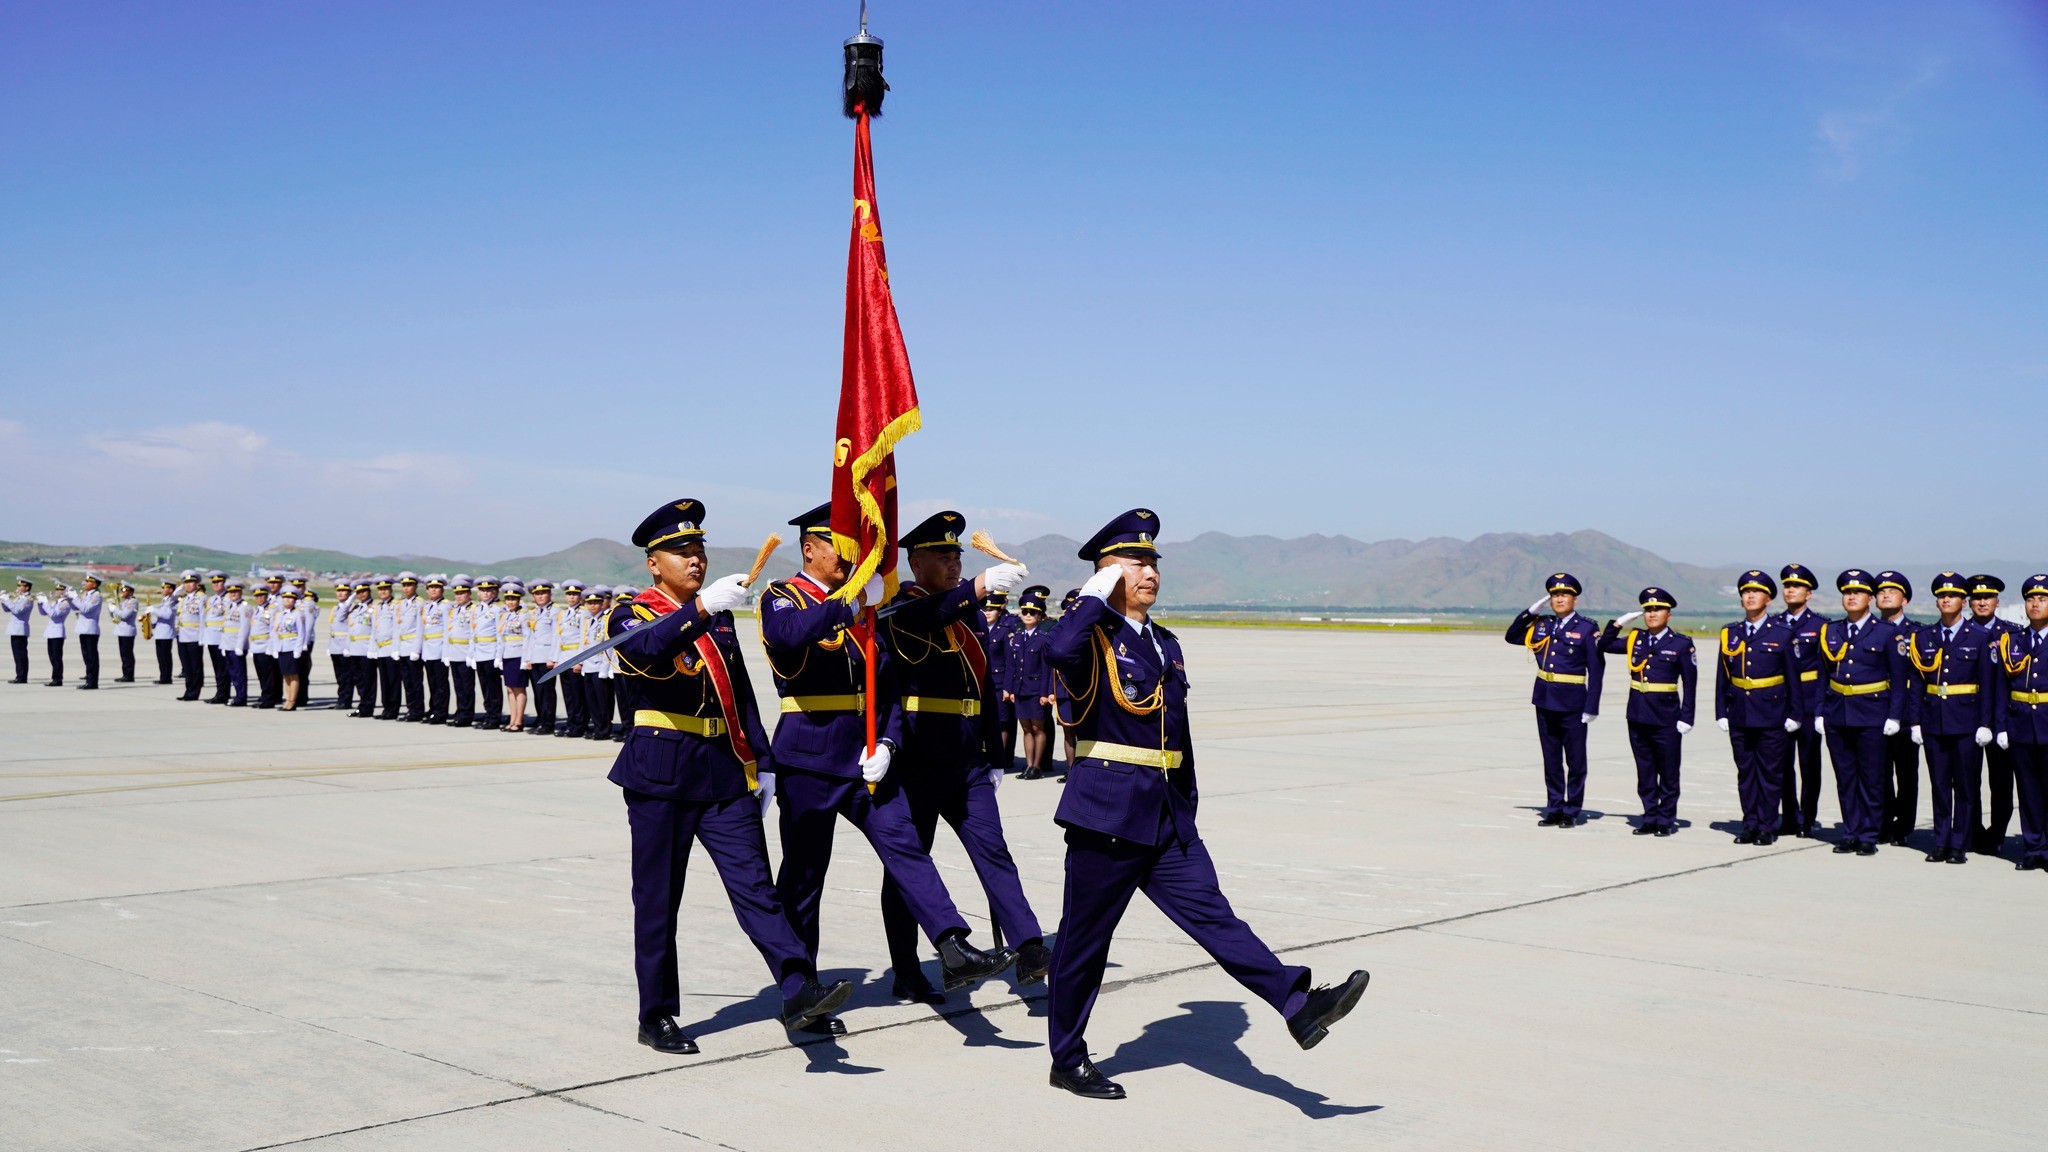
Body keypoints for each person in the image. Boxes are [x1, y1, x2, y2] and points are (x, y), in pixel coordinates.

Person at [1044, 509, 1369, 1100]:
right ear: (1106, 572)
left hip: (1166, 816)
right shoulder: (1090, 634)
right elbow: (1058, 650)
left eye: (1153, 562)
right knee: (1085, 943)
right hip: (1107, 816)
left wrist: (1187, 809)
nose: (1150, 572)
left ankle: (1296, 1004)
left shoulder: (1165, 642)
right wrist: (1093, 595)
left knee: (1216, 918)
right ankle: (1066, 1060)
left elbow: (1179, 737)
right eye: (1135, 562)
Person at [596, 499, 855, 1053]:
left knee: (758, 890)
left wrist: (764, 762)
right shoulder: (630, 613)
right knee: (659, 899)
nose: (695, 559)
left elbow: (739, 694)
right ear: (653, 563)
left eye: (699, 549)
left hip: (723, 771)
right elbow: (645, 651)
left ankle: (799, 991)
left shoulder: (719, 617)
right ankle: (656, 1015)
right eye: (681, 551)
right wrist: (699, 609)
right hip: (660, 774)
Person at [758, 501, 1012, 1017]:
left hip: (866, 755)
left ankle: (952, 945)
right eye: (839, 545)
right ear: (809, 550)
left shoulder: (865, 608)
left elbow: (890, 685)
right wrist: (853, 600)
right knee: (805, 876)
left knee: (906, 848)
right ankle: (800, 990)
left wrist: (891, 741)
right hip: (808, 756)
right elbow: (789, 636)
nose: (851, 556)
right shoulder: (782, 597)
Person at [876, 511, 1046, 997]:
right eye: (943, 556)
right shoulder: (898, 607)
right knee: (910, 867)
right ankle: (907, 970)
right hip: (917, 755)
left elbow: (983, 685)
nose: (954, 564)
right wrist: (979, 585)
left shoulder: (966, 612)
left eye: (957, 556)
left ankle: (1029, 947)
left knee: (994, 851)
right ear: (915, 563)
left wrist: (995, 754)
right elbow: (929, 614)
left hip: (968, 756)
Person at [1817, 570, 1911, 856]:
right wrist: (1820, 712)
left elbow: (1898, 679)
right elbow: (1823, 676)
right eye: (1847, 593)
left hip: (1872, 714)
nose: (1851, 597)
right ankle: (1851, 832)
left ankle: (1869, 834)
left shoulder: (1887, 632)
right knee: (1845, 778)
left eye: (1858, 593)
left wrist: (1895, 716)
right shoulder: (1831, 631)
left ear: (1870, 599)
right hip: (1838, 714)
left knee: (1872, 778)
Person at [1907, 574, 1998, 864]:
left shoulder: (1980, 637)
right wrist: (1915, 721)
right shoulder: (1923, 637)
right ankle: (1941, 841)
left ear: (1964, 602)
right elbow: (1917, 683)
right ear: (1937, 602)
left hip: (1967, 721)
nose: (1947, 600)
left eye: (1953, 596)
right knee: (1939, 784)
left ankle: (1960, 843)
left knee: (1966, 786)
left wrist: (1986, 723)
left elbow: (1987, 685)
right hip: (1933, 720)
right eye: (1942, 596)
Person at [1504, 573, 1606, 827]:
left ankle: (1571, 810)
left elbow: (1596, 670)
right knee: (1551, 759)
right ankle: (1555, 807)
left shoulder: (1587, 628)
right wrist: (1530, 612)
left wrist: (1592, 706)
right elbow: (1512, 636)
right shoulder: (1542, 624)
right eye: (1555, 596)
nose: (1559, 600)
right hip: (1544, 699)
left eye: (1565, 595)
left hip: (1573, 702)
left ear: (1575, 600)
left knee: (1575, 760)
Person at [1598, 587, 1697, 836]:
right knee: (1645, 771)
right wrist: (1618, 623)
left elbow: (1690, 684)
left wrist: (1687, 717)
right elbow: (1604, 644)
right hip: (1638, 715)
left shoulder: (1681, 644)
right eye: (1648, 610)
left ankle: (1666, 820)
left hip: (1667, 718)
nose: (1652, 614)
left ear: (1668, 614)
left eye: (1658, 609)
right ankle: (1650, 816)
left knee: (1668, 771)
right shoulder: (1636, 640)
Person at [1714, 570, 1799, 845]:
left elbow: (1793, 679)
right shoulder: (1731, 633)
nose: (1750, 596)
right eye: (1746, 592)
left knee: (1769, 774)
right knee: (1746, 773)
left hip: (1772, 713)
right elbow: (1723, 676)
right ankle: (1750, 824)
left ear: (1769, 599)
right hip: (1740, 713)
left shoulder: (1782, 633)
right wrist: (1720, 711)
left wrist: (1795, 714)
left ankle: (1766, 826)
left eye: (1757, 592)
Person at [1995, 575, 2048, 872]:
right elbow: (2002, 687)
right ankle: (2033, 848)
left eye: (2042, 599)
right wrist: (2001, 726)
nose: (2035, 604)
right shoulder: (2013, 641)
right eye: (2030, 599)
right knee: (2027, 791)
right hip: (2021, 724)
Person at [1774, 564, 1830, 837]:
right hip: (1781, 702)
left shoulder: (1820, 625)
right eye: (1787, 586)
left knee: (1809, 764)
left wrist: (1821, 708)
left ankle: (1807, 819)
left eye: (1796, 586)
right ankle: (1788, 817)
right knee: (1782, 764)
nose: (1790, 590)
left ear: (1809, 594)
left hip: (1808, 702)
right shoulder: (1774, 624)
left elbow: (1825, 670)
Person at [1967, 575, 2021, 855]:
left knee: (2001, 781)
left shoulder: (2012, 634)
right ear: (1969, 602)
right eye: (1976, 598)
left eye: (1987, 597)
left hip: (2002, 718)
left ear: (1997, 601)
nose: (1982, 602)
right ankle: (1973, 832)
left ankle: (1997, 833)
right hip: (1967, 717)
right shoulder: (1961, 632)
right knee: (1968, 781)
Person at [1873, 571, 1921, 845]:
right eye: (1881, 592)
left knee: (1906, 772)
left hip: (1905, 713)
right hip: (1875, 709)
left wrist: (1916, 718)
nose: (1886, 595)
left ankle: (1903, 825)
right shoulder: (1871, 630)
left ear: (1905, 599)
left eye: (1892, 592)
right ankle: (1882, 823)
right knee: (1879, 772)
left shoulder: (1916, 633)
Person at [1004, 586, 1057, 779]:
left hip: (1036, 691)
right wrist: (1009, 689)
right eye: (1025, 611)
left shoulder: (1043, 639)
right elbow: (1011, 666)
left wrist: (1045, 693)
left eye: (1032, 612)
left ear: (1040, 616)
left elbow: (1047, 669)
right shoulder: (1017, 637)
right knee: (1026, 729)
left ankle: (1037, 766)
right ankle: (1028, 765)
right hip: (1020, 690)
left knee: (1038, 728)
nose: (1027, 615)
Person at [981, 591, 1019, 769]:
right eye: (985, 609)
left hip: (999, 682)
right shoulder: (978, 629)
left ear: (999, 611)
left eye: (992, 609)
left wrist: (1007, 687)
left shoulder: (1005, 631)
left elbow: (1010, 662)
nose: (987, 612)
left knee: (1001, 723)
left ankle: (1000, 760)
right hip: (982, 682)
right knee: (984, 722)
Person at [555, 581, 589, 737]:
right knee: (568, 695)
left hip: (575, 657)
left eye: (575, 594)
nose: (572, 597)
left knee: (578, 695)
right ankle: (571, 722)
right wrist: (556, 659)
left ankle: (580, 725)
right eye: (569, 594)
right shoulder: (562, 614)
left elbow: (583, 638)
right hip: (563, 658)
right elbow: (558, 637)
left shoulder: (584, 613)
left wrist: (579, 660)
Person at [525, 580, 559, 735]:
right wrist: (527, 658)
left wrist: (552, 657)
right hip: (534, 657)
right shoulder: (533, 613)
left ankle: (548, 722)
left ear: (549, 594)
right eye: (537, 594)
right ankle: (540, 718)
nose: (540, 596)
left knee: (547, 692)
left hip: (547, 658)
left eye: (543, 593)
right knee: (537, 691)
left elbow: (556, 636)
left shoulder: (555, 612)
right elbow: (530, 637)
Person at [580, 586, 612, 740]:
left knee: (602, 702)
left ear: (601, 603)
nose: (592, 606)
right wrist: (581, 664)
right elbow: (583, 644)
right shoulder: (587, 621)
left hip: (600, 666)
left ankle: (604, 730)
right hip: (588, 665)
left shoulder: (605, 620)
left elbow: (608, 646)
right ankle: (596, 727)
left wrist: (605, 669)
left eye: (596, 603)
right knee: (591, 700)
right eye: (590, 603)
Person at [473, 577, 505, 729]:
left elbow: (500, 634)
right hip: (479, 652)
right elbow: (473, 633)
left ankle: (494, 717)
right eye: (482, 590)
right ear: (478, 592)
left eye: (488, 590)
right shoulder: (476, 609)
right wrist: (472, 654)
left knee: (493, 687)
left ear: (493, 592)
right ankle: (488, 714)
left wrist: (498, 656)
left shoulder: (498, 609)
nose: (485, 593)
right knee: (484, 686)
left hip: (491, 652)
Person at [446, 576, 478, 726]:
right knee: (458, 686)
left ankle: (466, 714)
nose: (459, 596)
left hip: (465, 653)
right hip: (454, 652)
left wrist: (471, 654)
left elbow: (473, 634)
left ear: (469, 594)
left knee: (467, 687)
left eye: (463, 593)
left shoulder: (474, 610)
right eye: (457, 594)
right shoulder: (453, 611)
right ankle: (460, 711)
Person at [419, 575, 450, 724]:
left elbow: (447, 630)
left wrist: (446, 652)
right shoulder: (426, 607)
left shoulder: (446, 606)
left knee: (441, 683)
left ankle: (441, 712)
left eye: (436, 587)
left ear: (442, 590)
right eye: (430, 588)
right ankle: (433, 708)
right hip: (428, 650)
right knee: (432, 682)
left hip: (439, 649)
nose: (433, 590)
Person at [394, 572, 425, 722]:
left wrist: (416, 650)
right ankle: (411, 709)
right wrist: (395, 648)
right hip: (402, 648)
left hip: (413, 647)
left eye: (409, 585)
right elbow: (397, 628)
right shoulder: (400, 604)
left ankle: (417, 710)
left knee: (415, 682)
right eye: (404, 585)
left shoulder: (420, 603)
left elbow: (420, 628)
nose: (406, 588)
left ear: (415, 586)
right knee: (407, 682)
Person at [370, 576, 400, 720]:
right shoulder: (378, 607)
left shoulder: (396, 606)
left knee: (393, 681)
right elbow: (375, 629)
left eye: (385, 589)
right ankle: (386, 708)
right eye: (380, 589)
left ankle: (393, 709)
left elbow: (397, 628)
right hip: (381, 649)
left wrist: (396, 648)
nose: (383, 592)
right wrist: (373, 648)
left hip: (391, 648)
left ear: (390, 590)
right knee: (384, 682)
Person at [499, 582, 529, 732]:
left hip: (518, 655)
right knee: (510, 689)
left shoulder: (523, 615)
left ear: (519, 600)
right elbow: (501, 638)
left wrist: (525, 659)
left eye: (514, 599)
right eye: (508, 599)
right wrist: (499, 657)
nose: (510, 602)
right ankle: (512, 719)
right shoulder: (504, 616)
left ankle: (519, 720)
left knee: (518, 689)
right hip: (507, 655)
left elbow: (527, 637)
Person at [348, 581, 378, 718]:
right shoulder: (355, 608)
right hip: (354, 649)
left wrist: (372, 648)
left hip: (366, 649)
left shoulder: (374, 607)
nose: (361, 595)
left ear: (369, 592)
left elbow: (374, 629)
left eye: (363, 592)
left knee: (368, 680)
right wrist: (351, 598)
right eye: (358, 593)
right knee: (359, 679)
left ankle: (368, 707)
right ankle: (362, 705)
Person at [34, 581, 72, 686]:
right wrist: (40, 603)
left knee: (56, 657)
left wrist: (46, 602)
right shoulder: (56, 602)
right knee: (52, 657)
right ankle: (55, 677)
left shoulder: (65, 603)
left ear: (65, 592)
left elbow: (53, 614)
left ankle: (57, 679)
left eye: (60, 590)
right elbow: (44, 612)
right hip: (51, 632)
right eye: (57, 589)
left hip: (57, 633)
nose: (58, 591)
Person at [175, 571, 206, 700]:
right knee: (187, 667)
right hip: (183, 636)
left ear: (197, 584)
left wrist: (202, 638)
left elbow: (203, 619)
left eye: (191, 582)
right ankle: (188, 690)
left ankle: (194, 692)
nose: (188, 585)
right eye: (186, 582)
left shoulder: (201, 598)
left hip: (194, 636)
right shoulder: (184, 599)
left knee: (195, 666)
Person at [219, 579, 250, 706]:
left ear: (241, 592)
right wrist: (223, 645)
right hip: (228, 644)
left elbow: (244, 628)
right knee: (232, 673)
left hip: (237, 645)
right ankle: (238, 696)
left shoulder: (245, 607)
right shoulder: (229, 606)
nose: (233, 594)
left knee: (239, 673)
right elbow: (225, 627)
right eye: (231, 592)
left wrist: (240, 646)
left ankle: (241, 697)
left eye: (236, 591)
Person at [69, 574, 104, 690]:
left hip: (90, 630)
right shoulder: (86, 595)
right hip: (83, 629)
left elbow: (85, 609)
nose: (85, 583)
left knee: (92, 657)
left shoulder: (97, 596)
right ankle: (89, 680)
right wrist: (70, 599)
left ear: (94, 584)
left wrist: (75, 597)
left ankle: (92, 682)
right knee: (86, 657)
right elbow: (77, 608)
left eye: (88, 582)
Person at [274, 588, 306, 712]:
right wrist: (276, 648)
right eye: (285, 598)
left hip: (292, 648)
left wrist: (298, 649)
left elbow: (301, 633)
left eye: (290, 598)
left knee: (293, 675)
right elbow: (276, 632)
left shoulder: (297, 614)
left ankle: (292, 701)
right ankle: (287, 699)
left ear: (295, 600)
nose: (287, 600)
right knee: (286, 676)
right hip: (282, 647)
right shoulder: (281, 614)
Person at [248, 585, 279, 708]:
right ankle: (264, 697)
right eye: (257, 596)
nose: (259, 598)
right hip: (256, 646)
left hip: (265, 646)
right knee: (261, 674)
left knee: (267, 675)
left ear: (266, 596)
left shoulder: (271, 610)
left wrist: (270, 647)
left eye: (261, 595)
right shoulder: (257, 610)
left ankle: (269, 699)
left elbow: (273, 630)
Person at [329, 582, 357, 711]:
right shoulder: (336, 608)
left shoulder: (351, 608)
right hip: (335, 646)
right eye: (338, 591)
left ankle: (346, 700)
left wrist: (349, 602)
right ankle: (341, 699)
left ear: (349, 594)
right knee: (339, 676)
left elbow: (342, 618)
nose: (340, 593)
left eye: (343, 591)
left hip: (345, 646)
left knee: (347, 676)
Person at [203, 571, 230, 704]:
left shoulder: (228, 598)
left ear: (224, 583)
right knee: (217, 668)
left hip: (221, 637)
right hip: (211, 637)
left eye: (219, 582)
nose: (216, 584)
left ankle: (223, 694)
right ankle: (219, 692)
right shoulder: (212, 599)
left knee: (223, 668)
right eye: (214, 582)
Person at [5, 578, 35, 683]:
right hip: (14, 629)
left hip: (20, 629)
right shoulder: (19, 597)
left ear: (26, 587)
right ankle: (19, 675)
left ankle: (22, 677)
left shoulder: (28, 599)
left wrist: (7, 600)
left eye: (20, 586)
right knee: (17, 655)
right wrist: (3, 600)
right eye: (18, 586)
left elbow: (17, 610)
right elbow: (7, 609)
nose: (18, 588)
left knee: (20, 654)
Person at [109, 582, 140, 683]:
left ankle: (129, 675)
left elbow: (125, 615)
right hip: (122, 631)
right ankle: (125, 674)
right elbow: (116, 616)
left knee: (127, 654)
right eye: (121, 590)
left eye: (124, 590)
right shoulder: (126, 602)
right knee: (123, 654)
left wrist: (115, 609)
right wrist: (111, 608)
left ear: (130, 592)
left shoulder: (133, 602)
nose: (122, 592)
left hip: (128, 631)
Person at [148, 580, 177, 685]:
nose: (162, 590)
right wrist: (153, 624)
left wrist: (153, 610)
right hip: (160, 633)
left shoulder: (172, 601)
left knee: (165, 657)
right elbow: (162, 616)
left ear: (170, 589)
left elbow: (167, 615)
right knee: (160, 657)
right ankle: (163, 676)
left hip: (166, 633)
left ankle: (167, 678)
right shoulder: (165, 600)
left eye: (164, 588)